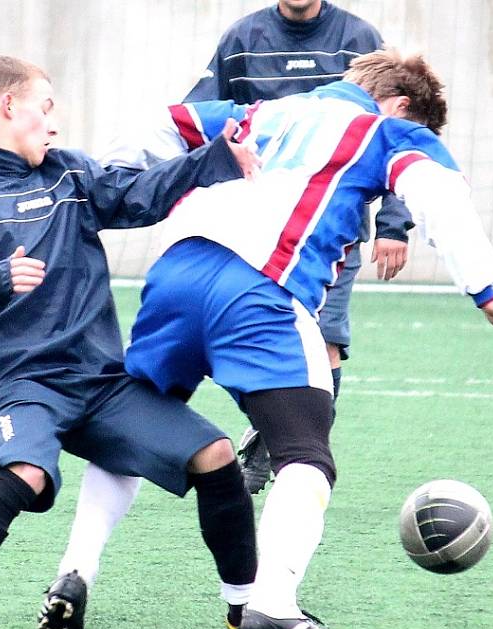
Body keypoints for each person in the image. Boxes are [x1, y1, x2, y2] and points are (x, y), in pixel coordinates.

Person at [105, 48, 493, 629]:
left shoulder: (263, 110)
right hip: (262, 292)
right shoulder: (388, 131)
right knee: (307, 452)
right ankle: (273, 603)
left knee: (132, 422)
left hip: (176, 271)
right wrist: (485, 289)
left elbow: (163, 123)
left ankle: (76, 572)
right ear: (402, 105)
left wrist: (108, 185)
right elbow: (441, 194)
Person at [0, 55, 261, 629]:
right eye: (45, 107)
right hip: (19, 383)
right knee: (27, 473)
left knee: (214, 454)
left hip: (99, 381)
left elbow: (139, 195)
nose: (54, 124)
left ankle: (248, 612)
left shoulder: (69, 175)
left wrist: (213, 160)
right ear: (9, 106)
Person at [186, 0, 415, 494]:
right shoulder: (243, 38)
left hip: (332, 231)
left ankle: (289, 460)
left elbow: (396, 135)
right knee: (245, 342)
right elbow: (204, 118)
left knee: (324, 340)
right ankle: (268, 438)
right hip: (251, 230)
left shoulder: (359, 39)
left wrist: (394, 223)